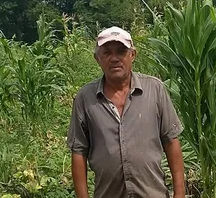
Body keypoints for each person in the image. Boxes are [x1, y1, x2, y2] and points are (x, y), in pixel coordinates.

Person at [66, 26, 186, 198]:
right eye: (107, 53)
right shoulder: (86, 98)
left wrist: (179, 194)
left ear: (132, 55)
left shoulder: (154, 89)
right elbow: (78, 151)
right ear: (97, 58)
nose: (114, 59)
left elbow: (171, 141)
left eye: (121, 51)